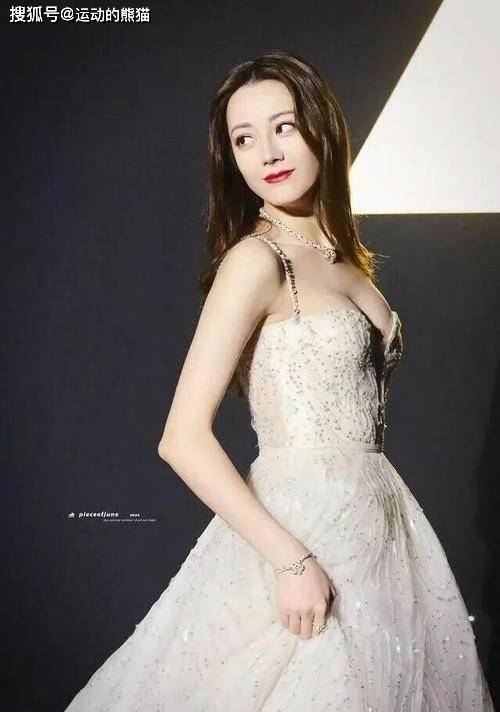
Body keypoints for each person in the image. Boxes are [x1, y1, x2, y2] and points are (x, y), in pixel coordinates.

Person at [65, 51, 495, 711]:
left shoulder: (344, 260)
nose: (266, 152)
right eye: (244, 139)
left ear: (322, 126)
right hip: (300, 535)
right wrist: (289, 560)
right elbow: (181, 438)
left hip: (382, 531)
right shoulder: (256, 260)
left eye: (283, 126)